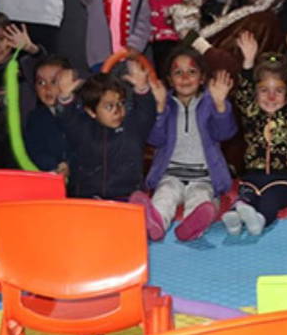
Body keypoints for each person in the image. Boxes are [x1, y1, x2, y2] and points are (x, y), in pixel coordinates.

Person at [136, 48, 237, 241]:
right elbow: (154, 139)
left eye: (192, 72)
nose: (185, 78)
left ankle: (192, 226)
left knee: (200, 198)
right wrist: (159, 108)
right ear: (169, 79)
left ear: (202, 78)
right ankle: (155, 223)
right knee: (164, 196)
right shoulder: (165, 103)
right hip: (170, 174)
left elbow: (225, 133)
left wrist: (220, 105)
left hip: (203, 177)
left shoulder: (211, 102)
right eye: (178, 72)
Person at [227, 35, 287, 236]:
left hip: (282, 180)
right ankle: (235, 219)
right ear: (255, 94)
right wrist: (248, 61)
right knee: (244, 198)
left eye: (278, 91)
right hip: (252, 177)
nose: (271, 97)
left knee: (269, 200)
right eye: (264, 90)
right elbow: (243, 94)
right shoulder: (252, 113)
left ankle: (260, 221)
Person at [53, 59, 159, 201]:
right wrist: (65, 96)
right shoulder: (81, 129)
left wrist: (142, 88)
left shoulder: (133, 127)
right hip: (86, 199)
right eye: (109, 106)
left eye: (121, 103)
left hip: (126, 198)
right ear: (91, 112)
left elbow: (146, 112)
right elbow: (67, 117)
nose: (118, 111)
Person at [0, 12, 45, 114]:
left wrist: (29, 47)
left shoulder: (26, 63)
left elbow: (47, 68)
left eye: (0, 38)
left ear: (11, 37)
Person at [23, 55, 74, 176]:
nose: (47, 88)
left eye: (54, 81)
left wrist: (71, 164)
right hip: (52, 175)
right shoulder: (35, 118)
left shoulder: (83, 112)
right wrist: (54, 166)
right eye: (41, 82)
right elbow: (35, 150)